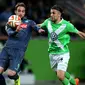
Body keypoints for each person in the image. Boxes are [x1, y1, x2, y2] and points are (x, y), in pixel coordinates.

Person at [38, 5, 85, 85]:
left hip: (63, 53)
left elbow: (79, 33)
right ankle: (74, 82)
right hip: (52, 53)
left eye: (53, 13)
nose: (51, 15)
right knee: (60, 73)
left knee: (60, 76)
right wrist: (30, 26)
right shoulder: (48, 22)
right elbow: (40, 25)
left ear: (59, 14)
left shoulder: (67, 25)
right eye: (51, 13)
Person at [0, 2, 45, 85]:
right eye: (19, 11)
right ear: (15, 12)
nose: (21, 13)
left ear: (25, 12)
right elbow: (9, 33)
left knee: (11, 74)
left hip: (18, 52)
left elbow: (36, 27)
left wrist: (39, 30)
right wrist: (16, 31)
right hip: (7, 49)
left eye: (23, 11)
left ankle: (16, 78)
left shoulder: (29, 22)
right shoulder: (10, 22)